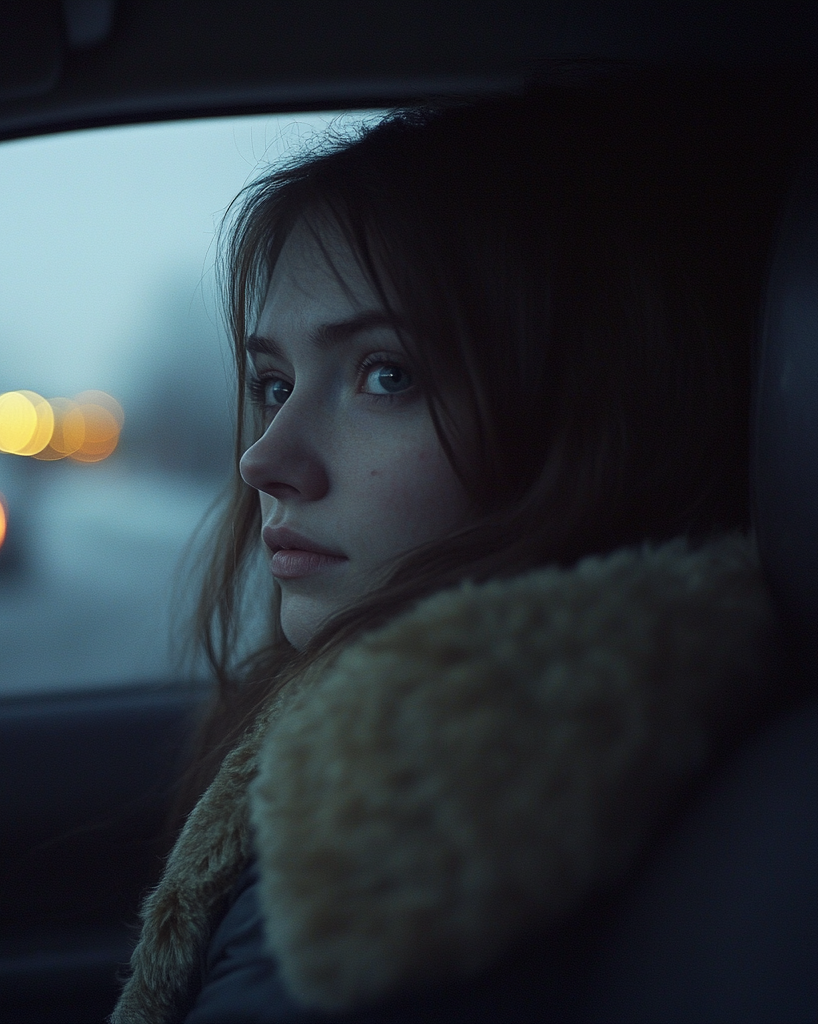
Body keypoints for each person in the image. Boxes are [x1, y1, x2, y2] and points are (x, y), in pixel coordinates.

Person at [111, 76, 801, 1024]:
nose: (264, 459)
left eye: (385, 374)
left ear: (589, 418)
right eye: (273, 382)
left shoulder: (410, 831)